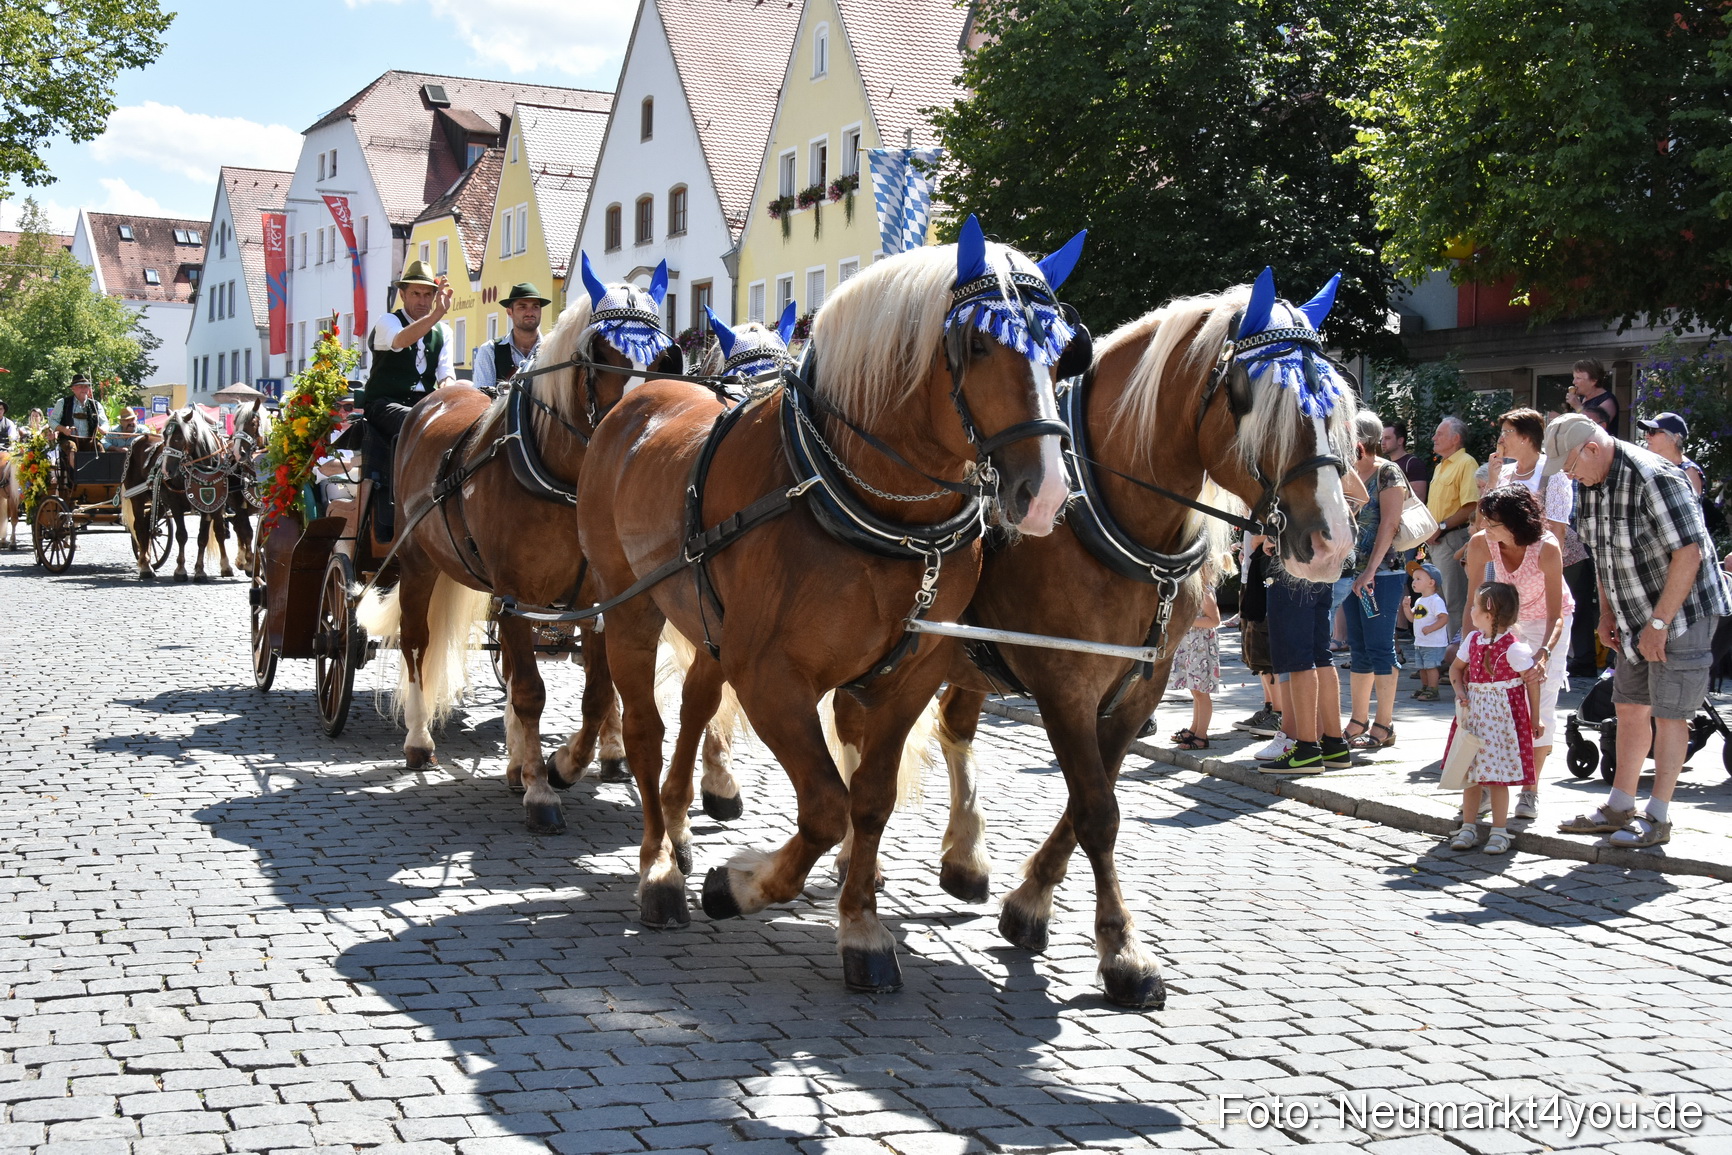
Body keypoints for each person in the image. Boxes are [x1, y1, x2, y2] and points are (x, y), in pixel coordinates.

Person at [1549, 414, 1732, 847]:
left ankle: (1658, 817)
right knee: (1629, 706)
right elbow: (1603, 555)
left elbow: (1688, 554)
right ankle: (1619, 806)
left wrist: (1659, 623)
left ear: (1592, 448)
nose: (1569, 474)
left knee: (1671, 713)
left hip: (1683, 611)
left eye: (1571, 464)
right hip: (1633, 612)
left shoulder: (1656, 477)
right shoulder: (1590, 482)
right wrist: (1608, 614)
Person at [1464, 486, 1572, 819]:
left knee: (1540, 703)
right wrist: (1469, 651)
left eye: (1494, 523)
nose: (1487, 528)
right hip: (1507, 620)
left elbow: (1556, 615)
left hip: (1546, 622)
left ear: (1516, 522)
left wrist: (1543, 654)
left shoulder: (1546, 548)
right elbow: (1473, 602)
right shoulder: (1482, 543)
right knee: (1490, 704)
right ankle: (1484, 788)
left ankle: (1530, 791)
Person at [1444, 582, 1541, 855]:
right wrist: (1461, 693)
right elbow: (1456, 668)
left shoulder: (1514, 648)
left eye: (1474, 606)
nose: (1470, 610)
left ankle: (1499, 831)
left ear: (1488, 612)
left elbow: (1532, 682)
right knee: (1471, 773)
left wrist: (1535, 717)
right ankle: (1468, 825)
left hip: (1502, 721)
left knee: (1498, 776)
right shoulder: (1472, 640)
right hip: (1476, 715)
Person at [1342, 410, 1410, 752]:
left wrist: (1370, 571)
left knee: (1381, 647)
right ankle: (1358, 719)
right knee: (1359, 647)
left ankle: (1384, 722)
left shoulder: (1388, 472)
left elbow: (1390, 525)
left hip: (1381, 575)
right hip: (1353, 574)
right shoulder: (1348, 472)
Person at [364, 259, 455, 443]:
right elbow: (401, 340)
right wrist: (436, 314)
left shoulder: (444, 331)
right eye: (416, 293)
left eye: (428, 295)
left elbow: (446, 374)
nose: (422, 301)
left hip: (425, 405)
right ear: (403, 295)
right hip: (384, 404)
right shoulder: (388, 320)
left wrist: (451, 389)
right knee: (417, 422)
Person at [1425, 415, 1479, 651]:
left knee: (1454, 601)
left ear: (1456, 439)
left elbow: (1471, 506)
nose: (1434, 438)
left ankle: (1456, 658)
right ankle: (1436, 659)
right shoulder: (1440, 466)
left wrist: (1442, 526)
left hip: (1452, 540)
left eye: (1440, 433)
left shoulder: (1467, 463)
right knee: (1436, 601)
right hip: (1435, 542)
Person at [1233, 532, 1282, 740]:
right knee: (1256, 654)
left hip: (1268, 576)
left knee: (1269, 651)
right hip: (1251, 576)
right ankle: (1269, 707)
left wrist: (1259, 541)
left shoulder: (1268, 505)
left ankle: (1280, 713)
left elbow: (1270, 535)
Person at [1168, 583, 1221, 751]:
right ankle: (1195, 729)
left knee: (1201, 691)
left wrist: (1183, 620)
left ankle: (1202, 735)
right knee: (1195, 690)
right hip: (1192, 645)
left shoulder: (1204, 591)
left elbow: (1215, 620)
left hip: (1202, 647)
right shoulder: (1194, 589)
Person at [470, 283, 550, 395]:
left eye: (535, 307)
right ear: (509, 312)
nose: (530, 312)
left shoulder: (552, 350)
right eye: (522, 307)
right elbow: (483, 400)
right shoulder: (490, 350)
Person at [51, 373, 107, 478]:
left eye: (86, 386)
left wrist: (103, 429)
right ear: (73, 389)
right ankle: (78, 476)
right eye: (81, 386)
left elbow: (104, 422)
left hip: (88, 440)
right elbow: (52, 421)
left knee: (99, 447)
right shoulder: (63, 403)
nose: (84, 389)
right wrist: (63, 429)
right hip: (68, 439)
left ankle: (101, 477)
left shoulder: (95, 405)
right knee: (72, 447)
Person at [1636, 411, 1703, 496]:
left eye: (1653, 431)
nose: (1647, 436)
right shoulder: (1652, 465)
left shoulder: (1688, 472)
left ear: (1674, 437)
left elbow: (1690, 508)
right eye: (1647, 431)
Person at [1409, 564, 1448, 700]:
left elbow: (1444, 618)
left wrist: (1431, 628)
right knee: (1422, 667)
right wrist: (1406, 608)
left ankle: (1433, 689)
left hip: (1433, 642)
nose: (1414, 582)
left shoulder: (1436, 601)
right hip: (1421, 641)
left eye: (1418, 579)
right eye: (1413, 579)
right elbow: (1412, 618)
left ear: (1431, 583)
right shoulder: (1419, 600)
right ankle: (1425, 687)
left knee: (1431, 667)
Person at [1565, 357, 1618, 435]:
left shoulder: (1607, 402)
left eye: (1578, 378)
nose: (1574, 382)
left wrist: (1578, 407)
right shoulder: (1582, 399)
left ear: (1593, 380)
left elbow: (1596, 428)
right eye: (1574, 378)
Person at [1382, 419, 1430, 503]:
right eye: (1382, 438)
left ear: (1400, 440)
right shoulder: (1385, 465)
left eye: (1387, 438)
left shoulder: (1413, 464)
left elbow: (1419, 498)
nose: (1382, 442)